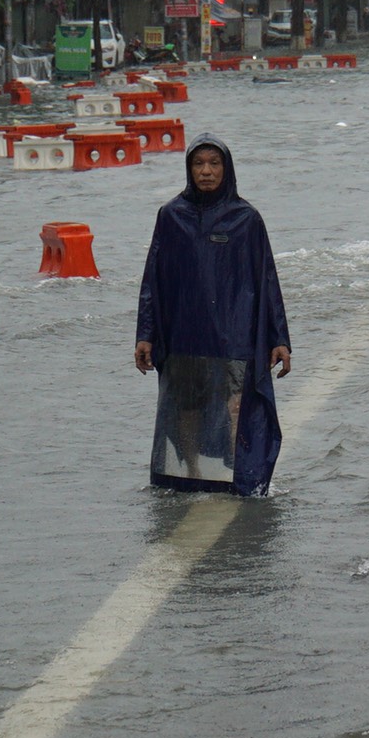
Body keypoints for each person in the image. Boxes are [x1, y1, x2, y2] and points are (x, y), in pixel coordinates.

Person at [134, 136, 292, 494]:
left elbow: (266, 280)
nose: (206, 171)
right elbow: (153, 281)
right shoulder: (171, 216)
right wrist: (145, 334)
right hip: (184, 333)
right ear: (189, 170)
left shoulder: (246, 219)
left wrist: (279, 338)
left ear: (227, 169)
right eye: (198, 164)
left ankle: (237, 481)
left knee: (236, 406)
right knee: (186, 411)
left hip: (235, 333)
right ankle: (187, 473)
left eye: (214, 164)